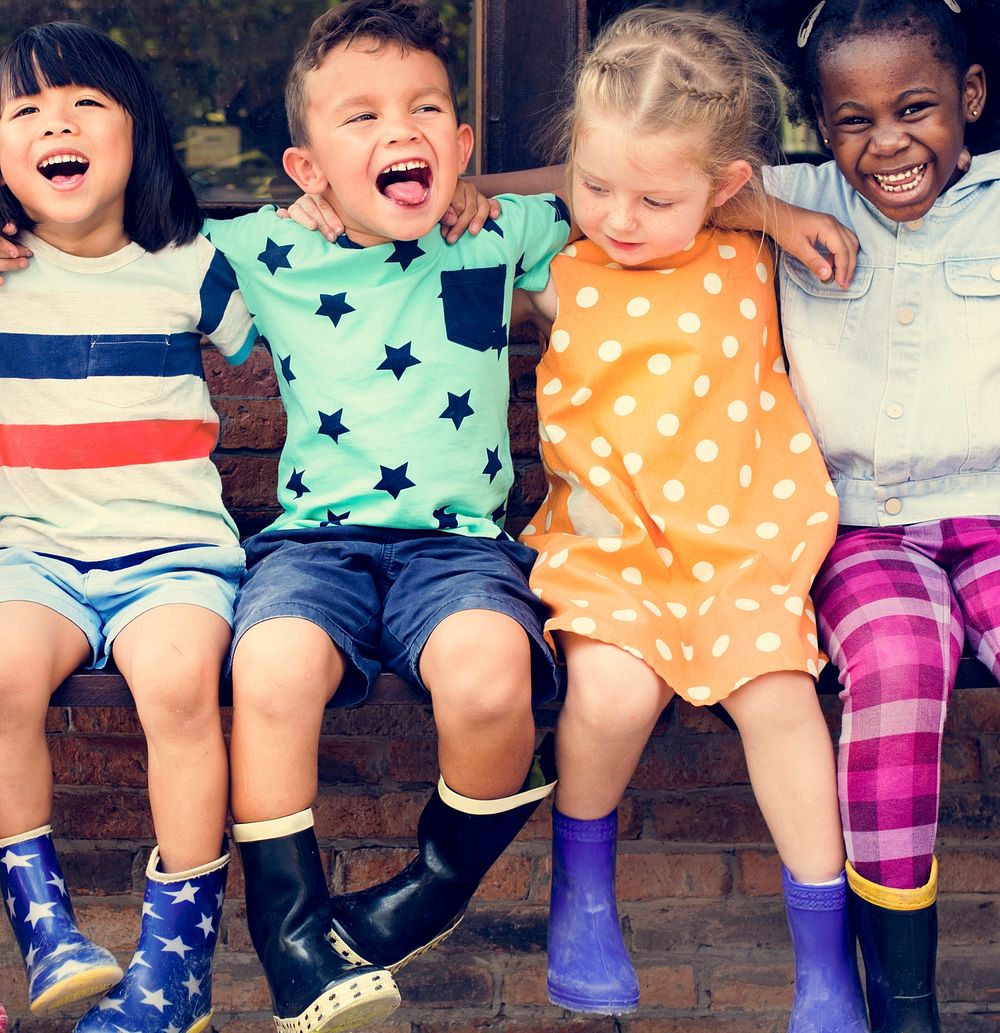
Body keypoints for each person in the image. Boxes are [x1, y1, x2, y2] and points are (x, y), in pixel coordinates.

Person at [187, 2, 568, 1030]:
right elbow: (113, 229)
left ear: (458, 144)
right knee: (268, 668)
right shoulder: (264, 244)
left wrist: (494, 189)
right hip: (316, 545)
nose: (398, 132)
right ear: (306, 168)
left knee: (492, 683)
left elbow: (625, 179)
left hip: (459, 550)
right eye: (359, 119)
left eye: (424, 111)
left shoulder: (496, 231)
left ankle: (428, 888)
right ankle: (291, 933)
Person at [503, 8, 868, 1027]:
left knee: (782, 703)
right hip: (610, 549)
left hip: (742, 551)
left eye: (655, 198)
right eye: (594, 185)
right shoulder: (554, 264)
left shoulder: (744, 253)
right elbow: (472, 203)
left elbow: (755, 208)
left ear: (721, 188)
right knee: (611, 695)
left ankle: (823, 963)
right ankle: (582, 897)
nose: (618, 217)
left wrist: (776, 222)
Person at [739, 0, 1000, 1028]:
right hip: (858, 527)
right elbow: (638, 183)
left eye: (916, 108)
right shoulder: (793, 194)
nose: (885, 141)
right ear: (818, 121)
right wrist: (770, 217)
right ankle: (905, 996)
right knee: (894, 665)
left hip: (989, 511)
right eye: (853, 119)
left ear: (970, 99)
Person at [0, 21, 250, 1032]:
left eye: (85, 103)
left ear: (138, 134)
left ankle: (175, 969)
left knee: (181, 684)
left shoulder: (191, 261)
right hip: (32, 556)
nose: (56, 120)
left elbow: (312, 310)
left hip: (174, 556)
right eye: (25, 110)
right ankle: (45, 926)